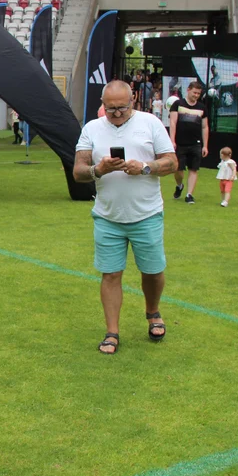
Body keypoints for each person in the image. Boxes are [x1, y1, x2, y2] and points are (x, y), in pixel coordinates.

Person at [73, 80, 178, 355]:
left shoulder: (151, 123)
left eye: (122, 107)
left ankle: (153, 312)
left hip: (146, 213)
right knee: (111, 274)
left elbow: (171, 162)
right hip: (108, 216)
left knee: (153, 272)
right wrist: (100, 169)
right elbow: (78, 170)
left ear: (133, 101)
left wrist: (145, 167)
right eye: (111, 109)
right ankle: (112, 332)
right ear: (102, 104)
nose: (117, 113)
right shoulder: (92, 129)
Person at [169, 80, 209, 204]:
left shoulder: (202, 108)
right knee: (178, 169)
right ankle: (180, 185)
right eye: (194, 92)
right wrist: (172, 140)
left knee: (193, 169)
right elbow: (173, 123)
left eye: (198, 93)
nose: (196, 95)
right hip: (180, 143)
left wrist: (205, 146)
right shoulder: (177, 104)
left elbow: (205, 127)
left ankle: (189, 194)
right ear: (188, 90)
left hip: (195, 143)